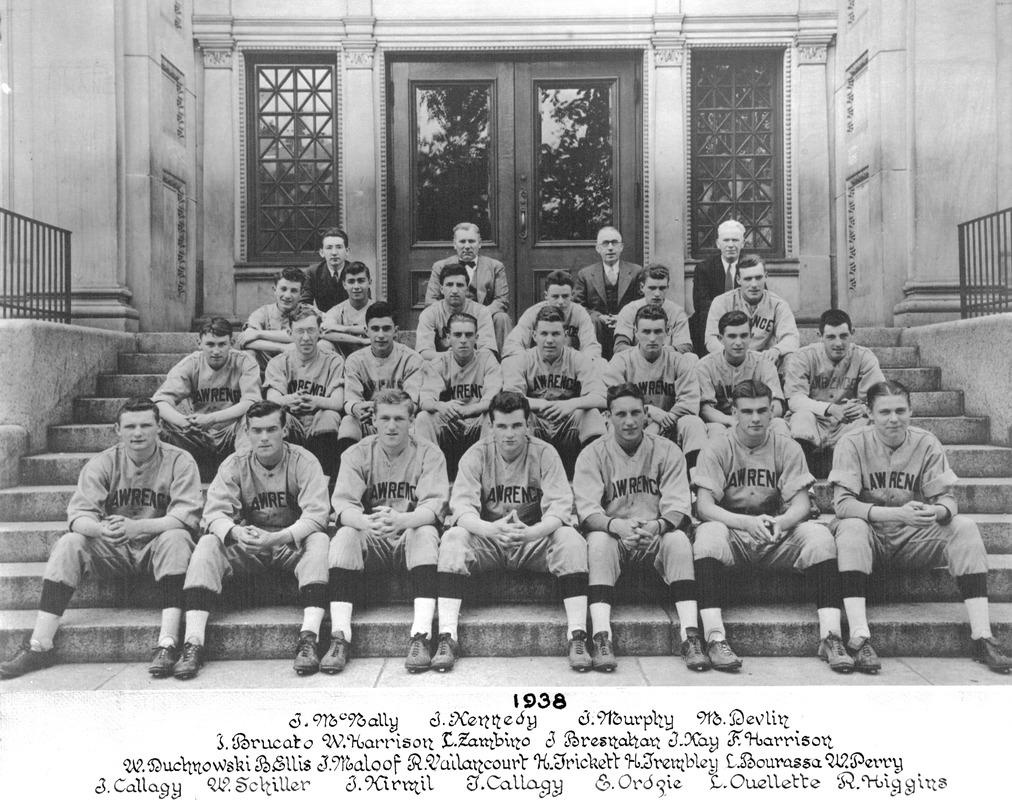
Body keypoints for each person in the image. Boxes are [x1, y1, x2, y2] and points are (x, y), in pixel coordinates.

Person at [0, 398, 201, 680]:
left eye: (145, 425)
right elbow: (78, 516)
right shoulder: (103, 462)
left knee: (177, 537)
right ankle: (40, 644)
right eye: (130, 426)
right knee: (70, 542)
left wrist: (138, 527)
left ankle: (168, 643)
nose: (138, 433)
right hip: (115, 546)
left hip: (157, 547)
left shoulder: (180, 460)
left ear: (159, 427)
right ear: (117, 430)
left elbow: (185, 516)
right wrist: (100, 530)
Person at [829, 380, 1012, 674]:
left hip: (910, 539)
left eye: (900, 410)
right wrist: (897, 514)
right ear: (869, 413)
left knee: (963, 527)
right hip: (868, 540)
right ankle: (859, 637)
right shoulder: (851, 442)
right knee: (851, 527)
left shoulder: (926, 442)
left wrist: (935, 510)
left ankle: (982, 635)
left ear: (911, 411)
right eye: (884, 411)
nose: (894, 419)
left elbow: (948, 501)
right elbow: (842, 505)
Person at [691, 379, 854, 674]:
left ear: (771, 412)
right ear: (734, 413)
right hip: (734, 531)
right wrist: (745, 522)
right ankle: (714, 638)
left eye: (761, 410)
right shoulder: (717, 447)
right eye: (747, 411)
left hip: (775, 530)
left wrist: (781, 522)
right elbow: (704, 507)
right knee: (708, 533)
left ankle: (831, 637)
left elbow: (802, 506)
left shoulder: (786, 447)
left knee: (819, 535)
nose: (755, 418)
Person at [171, 401, 331, 679]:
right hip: (250, 542)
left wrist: (278, 537)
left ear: (284, 430)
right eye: (257, 430)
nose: (264, 437)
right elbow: (214, 514)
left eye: (271, 429)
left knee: (319, 539)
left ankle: (309, 638)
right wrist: (236, 532)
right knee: (208, 543)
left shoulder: (304, 461)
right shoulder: (234, 464)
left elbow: (317, 515)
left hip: (289, 542)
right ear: (246, 432)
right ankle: (193, 642)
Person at [433, 391, 590, 673]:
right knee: (453, 538)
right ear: (491, 425)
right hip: (490, 540)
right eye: (502, 426)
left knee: (571, 539)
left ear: (528, 424)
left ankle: (577, 636)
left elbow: (559, 510)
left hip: (532, 539)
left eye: (517, 425)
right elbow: (462, 510)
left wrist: (531, 533)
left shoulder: (545, 452)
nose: (509, 434)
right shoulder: (476, 454)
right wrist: (491, 529)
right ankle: (447, 636)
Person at [575, 384, 706, 673]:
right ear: (607, 417)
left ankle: (690, 636)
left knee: (678, 540)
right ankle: (601, 637)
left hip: (655, 534)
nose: (629, 421)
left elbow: (680, 507)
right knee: (598, 541)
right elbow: (587, 513)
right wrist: (616, 526)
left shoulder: (667, 449)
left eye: (636, 413)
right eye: (621, 414)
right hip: (614, 536)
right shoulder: (592, 453)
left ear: (647, 414)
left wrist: (657, 526)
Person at [325, 390, 449, 674]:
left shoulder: (430, 453)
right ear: (374, 422)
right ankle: (340, 636)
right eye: (385, 418)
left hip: (408, 537)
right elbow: (343, 506)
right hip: (374, 537)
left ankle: (421, 635)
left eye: (399, 419)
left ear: (411, 422)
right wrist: (366, 522)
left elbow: (434, 507)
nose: (392, 426)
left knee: (425, 531)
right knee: (345, 534)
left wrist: (402, 520)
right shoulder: (356, 453)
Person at [501, 306, 606, 477]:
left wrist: (571, 404)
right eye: (544, 334)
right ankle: (521, 478)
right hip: (537, 425)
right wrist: (542, 404)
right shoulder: (522, 359)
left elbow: (601, 396)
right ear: (534, 335)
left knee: (591, 414)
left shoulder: (577, 358)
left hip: (567, 423)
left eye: (556, 334)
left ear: (565, 335)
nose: (549, 340)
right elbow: (510, 399)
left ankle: (594, 476)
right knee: (519, 416)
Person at [605, 306, 708, 474]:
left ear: (667, 332)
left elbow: (689, 401)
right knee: (611, 427)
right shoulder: (621, 361)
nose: (652, 338)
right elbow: (614, 401)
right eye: (646, 332)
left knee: (693, 423)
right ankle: (621, 475)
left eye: (658, 331)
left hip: (670, 425)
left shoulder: (678, 361)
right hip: (634, 425)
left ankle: (696, 478)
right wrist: (650, 411)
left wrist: (664, 420)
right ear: (635, 332)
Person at [153, 317, 261, 477]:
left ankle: (245, 476)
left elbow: (252, 402)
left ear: (231, 343)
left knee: (251, 418)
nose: (216, 351)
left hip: (232, 435)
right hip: (198, 436)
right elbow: (159, 401)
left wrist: (212, 418)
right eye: (210, 344)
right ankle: (163, 479)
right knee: (156, 422)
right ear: (199, 343)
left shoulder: (245, 362)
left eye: (222, 344)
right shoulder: (191, 364)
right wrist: (183, 422)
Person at [784, 309, 884, 478]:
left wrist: (861, 408)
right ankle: (803, 476)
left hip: (846, 422)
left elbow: (879, 398)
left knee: (871, 421)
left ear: (852, 333)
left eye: (843, 336)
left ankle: (848, 473)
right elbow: (794, 399)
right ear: (820, 336)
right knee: (801, 417)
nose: (838, 343)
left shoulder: (864, 357)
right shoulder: (803, 356)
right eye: (831, 337)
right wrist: (830, 408)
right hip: (815, 422)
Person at [418, 312, 503, 479]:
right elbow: (425, 401)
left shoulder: (487, 359)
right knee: (423, 418)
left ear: (477, 338)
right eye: (457, 335)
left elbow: (493, 400)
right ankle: (431, 478)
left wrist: (468, 410)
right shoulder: (440, 362)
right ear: (448, 338)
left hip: (477, 424)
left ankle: (487, 479)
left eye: (469, 335)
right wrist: (439, 406)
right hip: (450, 423)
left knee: (491, 416)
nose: (463, 340)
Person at [338, 301, 434, 450]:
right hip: (369, 421)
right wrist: (357, 407)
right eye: (375, 329)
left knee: (418, 423)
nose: (381, 335)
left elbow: (411, 403)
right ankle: (347, 464)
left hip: (398, 421)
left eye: (386, 329)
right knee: (348, 422)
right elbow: (351, 399)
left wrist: (383, 410)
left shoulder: (411, 359)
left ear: (396, 331)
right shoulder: (355, 360)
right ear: (366, 331)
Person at [264, 305, 345, 479]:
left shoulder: (334, 361)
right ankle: (286, 477)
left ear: (320, 332)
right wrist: (288, 400)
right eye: (300, 331)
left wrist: (316, 402)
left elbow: (338, 402)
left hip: (319, 424)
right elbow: (272, 401)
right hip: (293, 425)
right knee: (278, 417)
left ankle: (323, 477)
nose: (306, 337)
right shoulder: (279, 362)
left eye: (311, 331)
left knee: (330, 415)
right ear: (289, 333)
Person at [697, 310, 788, 439]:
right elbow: (705, 409)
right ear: (721, 339)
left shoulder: (764, 363)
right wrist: (731, 421)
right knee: (715, 430)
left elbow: (776, 404)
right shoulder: (705, 365)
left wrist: (756, 419)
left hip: (758, 419)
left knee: (779, 424)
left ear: (751, 336)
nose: (738, 342)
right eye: (732, 336)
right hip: (722, 420)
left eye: (744, 336)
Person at [425, 222, 511, 352]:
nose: (467, 246)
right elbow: (430, 301)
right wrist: (451, 317)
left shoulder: (495, 266)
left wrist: (480, 315)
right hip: (451, 317)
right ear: (454, 244)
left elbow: (501, 300)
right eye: (462, 242)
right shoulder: (440, 266)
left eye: (471, 241)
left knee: (502, 317)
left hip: (484, 320)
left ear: (479, 243)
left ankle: (503, 360)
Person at [703, 254, 799, 367]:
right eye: (748, 279)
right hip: (731, 361)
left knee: (791, 359)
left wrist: (777, 350)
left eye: (758, 278)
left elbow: (791, 337)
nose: (754, 284)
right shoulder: (722, 302)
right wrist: (731, 355)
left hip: (765, 362)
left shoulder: (778, 305)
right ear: (738, 279)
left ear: (766, 277)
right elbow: (711, 339)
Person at [237, 268, 328, 375]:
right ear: (274, 290)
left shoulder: (310, 312)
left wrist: (259, 334)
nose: (287, 296)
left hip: (301, 372)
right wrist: (282, 348)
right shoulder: (262, 313)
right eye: (283, 289)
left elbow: (325, 329)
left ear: (301, 293)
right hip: (265, 371)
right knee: (249, 353)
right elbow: (246, 340)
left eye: (294, 291)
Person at [574, 226, 643, 359]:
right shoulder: (585, 275)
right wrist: (599, 317)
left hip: (628, 331)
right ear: (598, 248)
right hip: (596, 332)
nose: (610, 248)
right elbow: (578, 307)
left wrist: (623, 317)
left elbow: (642, 304)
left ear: (621, 247)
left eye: (614, 243)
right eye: (605, 243)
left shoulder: (636, 272)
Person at [502, 269, 600, 360]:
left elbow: (591, 346)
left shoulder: (579, 313)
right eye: (555, 296)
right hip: (540, 365)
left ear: (572, 295)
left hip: (570, 365)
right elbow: (512, 345)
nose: (561, 302)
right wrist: (528, 362)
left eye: (565, 296)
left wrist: (581, 363)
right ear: (546, 295)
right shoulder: (533, 313)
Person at [415, 263, 498, 360]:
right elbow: (424, 353)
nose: (454, 290)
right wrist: (453, 358)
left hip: (473, 365)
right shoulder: (430, 313)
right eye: (449, 285)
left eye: (460, 285)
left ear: (467, 289)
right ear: (441, 289)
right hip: (440, 365)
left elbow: (487, 351)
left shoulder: (481, 312)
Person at [691, 220, 745, 356]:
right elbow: (701, 303)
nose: (730, 245)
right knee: (701, 317)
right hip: (713, 319)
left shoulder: (750, 267)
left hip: (743, 317)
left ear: (743, 243)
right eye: (726, 240)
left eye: (735, 240)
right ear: (718, 243)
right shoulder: (704, 268)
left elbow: (760, 297)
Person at [612, 264, 692, 354]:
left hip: (667, 359)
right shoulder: (630, 310)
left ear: (667, 288)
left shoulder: (677, 312)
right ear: (642, 287)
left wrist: (659, 353)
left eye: (662, 288)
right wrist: (647, 353)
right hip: (636, 360)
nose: (657, 294)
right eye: (652, 288)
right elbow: (620, 347)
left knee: (691, 357)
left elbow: (685, 346)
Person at [302, 227, 368, 314]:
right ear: (322, 252)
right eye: (329, 248)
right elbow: (304, 304)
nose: (334, 253)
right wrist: (323, 316)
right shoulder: (313, 272)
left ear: (347, 251)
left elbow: (366, 303)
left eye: (339, 247)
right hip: (324, 319)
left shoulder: (357, 271)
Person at [320, 261, 373, 358]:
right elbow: (324, 333)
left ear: (369, 282)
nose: (356, 287)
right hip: (342, 359)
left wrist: (344, 328)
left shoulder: (379, 309)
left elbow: (378, 330)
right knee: (323, 345)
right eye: (351, 282)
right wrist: (361, 340)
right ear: (344, 285)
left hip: (371, 358)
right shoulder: (337, 310)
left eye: (361, 281)